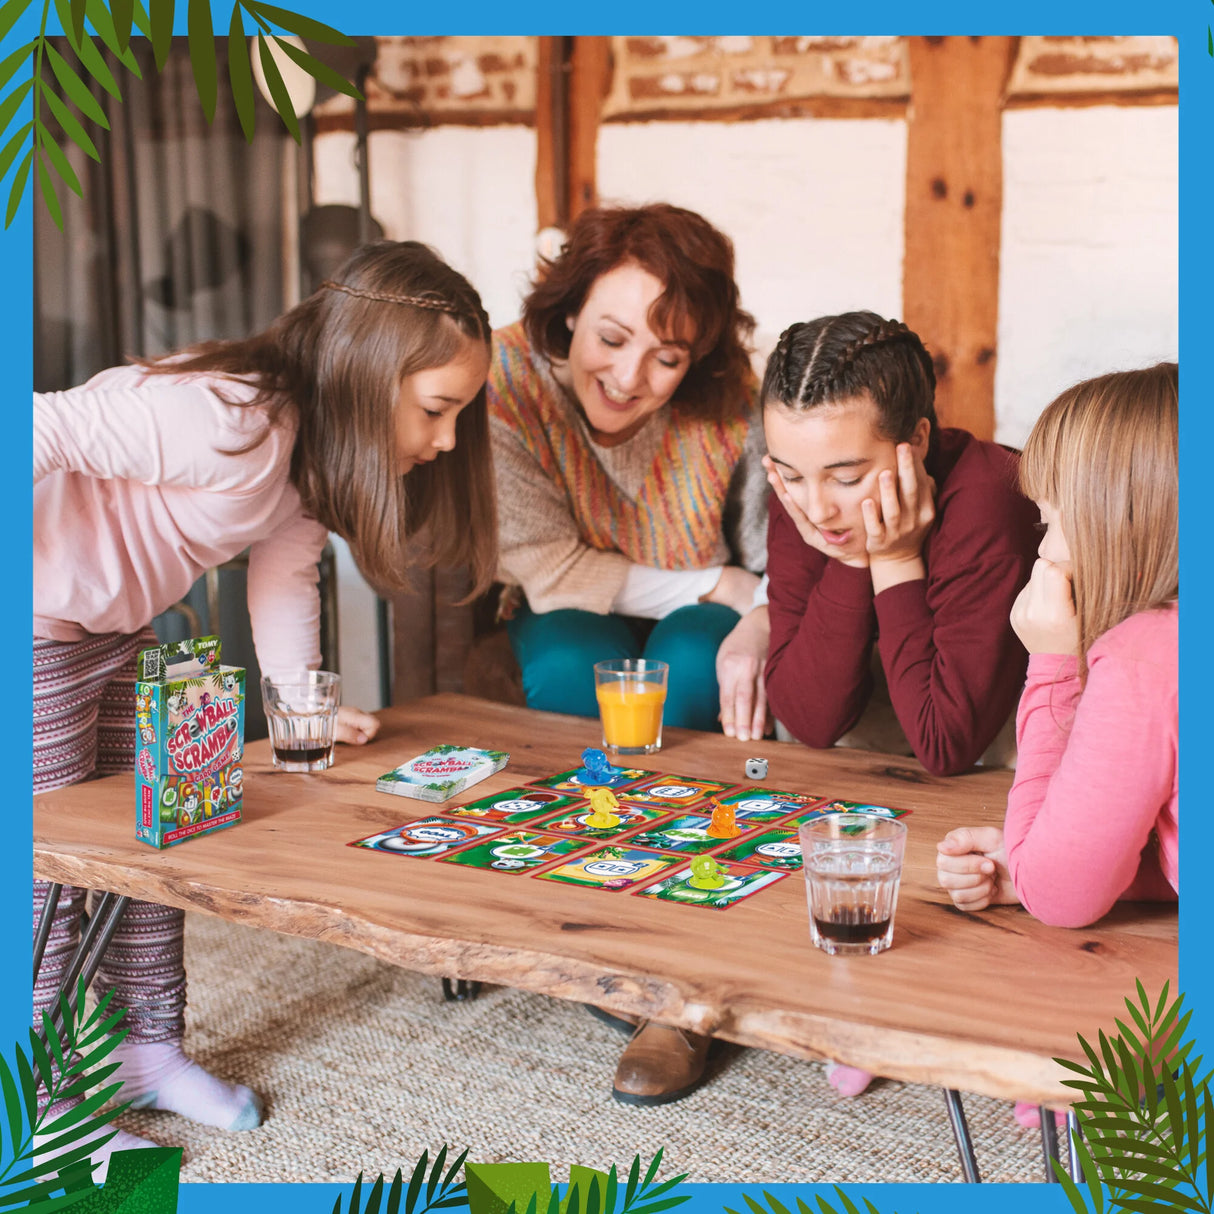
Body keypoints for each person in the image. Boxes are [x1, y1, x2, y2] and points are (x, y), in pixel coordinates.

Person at [33, 240, 497, 1170]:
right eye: (438, 409)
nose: (447, 440)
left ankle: (142, 1050)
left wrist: (300, 711)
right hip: (33, 635)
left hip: (118, 639)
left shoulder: (307, 464)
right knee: (49, 876)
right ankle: (33, 1104)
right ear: (369, 374)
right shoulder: (218, 418)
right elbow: (37, 426)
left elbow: (285, 580)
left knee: (153, 842)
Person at [487, 202, 768, 1105]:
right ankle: (578, 916)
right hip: (566, 604)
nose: (630, 375)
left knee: (692, 668)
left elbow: (763, 567)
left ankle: (674, 984)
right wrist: (707, 583)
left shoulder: (734, 402)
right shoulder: (499, 377)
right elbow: (550, 570)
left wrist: (736, 598)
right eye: (610, 336)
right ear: (569, 310)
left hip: (700, 615)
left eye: (668, 357)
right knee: (573, 668)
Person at [760, 310, 1039, 1098]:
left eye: (848, 477)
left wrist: (895, 555)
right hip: (881, 760)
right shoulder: (800, 497)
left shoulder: (988, 494)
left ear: (914, 441)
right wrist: (858, 557)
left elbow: (948, 742)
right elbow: (811, 719)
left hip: (995, 750)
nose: (816, 506)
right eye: (790, 472)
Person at [936, 363, 1178, 1125]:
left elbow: (1062, 899)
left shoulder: (1149, 651)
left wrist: (1051, 657)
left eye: (1050, 518)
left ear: (1118, 520)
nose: (1042, 547)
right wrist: (1040, 849)